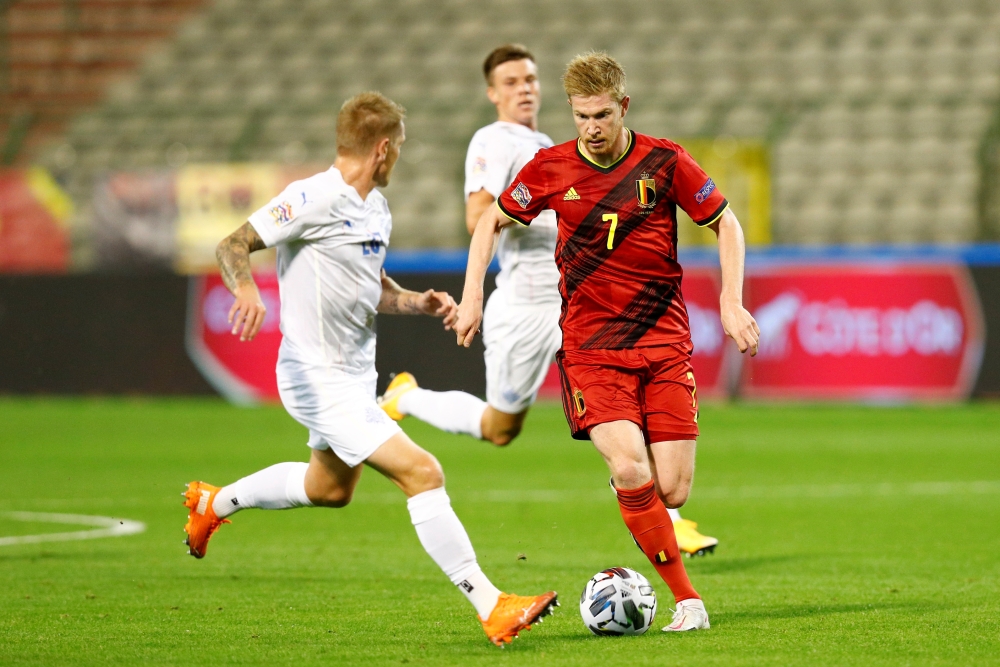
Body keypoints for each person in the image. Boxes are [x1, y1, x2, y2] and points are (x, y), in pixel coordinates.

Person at [181, 92, 557, 647]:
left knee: (328, 488)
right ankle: (491, 604)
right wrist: (245, 289)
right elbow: (232, 243)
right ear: (382, 150)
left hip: (353, 375)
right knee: (423, 472)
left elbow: (373, 288)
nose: (400, 159)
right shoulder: (311, 197)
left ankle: (214, 503)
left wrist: (418, 302)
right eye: (399, 148)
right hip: (315, 376)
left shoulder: (374, 208)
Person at [454, 53, 761, 632]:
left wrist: (730, 300)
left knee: (671, 491)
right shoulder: (551, 167)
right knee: (628, 465)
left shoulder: (665, 161)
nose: (590, 129)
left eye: (600, 115)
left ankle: (637, 496)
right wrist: (472, 297)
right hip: (591, 348)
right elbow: (490, 221)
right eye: (580, 117)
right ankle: (688, 602)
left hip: (664, 342)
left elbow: (726, 221)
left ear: (623, 107)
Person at [378, 44, 719, 558]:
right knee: (500, 428)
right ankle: (407, 398)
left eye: (531, 80)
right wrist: (568, 214)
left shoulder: (554, 143)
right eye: (511, 82)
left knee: (631, 396)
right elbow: (479, 219)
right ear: (493, 93)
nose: (524, 89)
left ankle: (666, 512)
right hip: (525, 302)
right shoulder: (494, 141)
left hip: (580, 302)